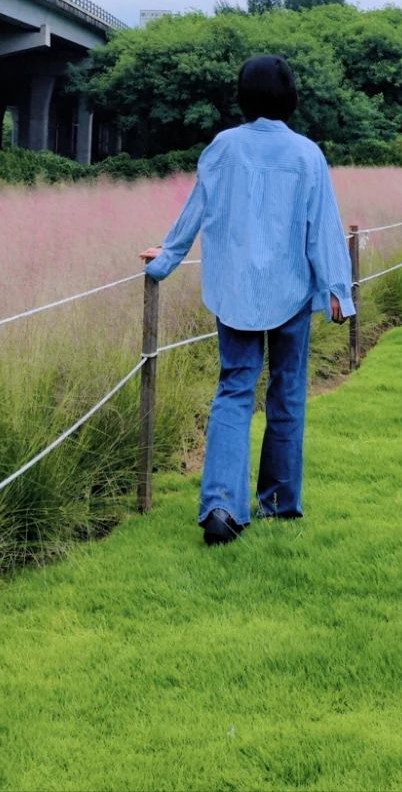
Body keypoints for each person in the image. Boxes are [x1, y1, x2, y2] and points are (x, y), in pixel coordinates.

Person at [139, 54, 356, 547]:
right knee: (287, 391)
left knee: (234, 389)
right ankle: (278, 501)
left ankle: (221, 505)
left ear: (243, 95)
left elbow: (195, 211)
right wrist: (338, 291)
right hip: (291, 292)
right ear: (290, 97)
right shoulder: (306, 155)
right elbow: (322, 229)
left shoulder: (222, 147)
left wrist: (165, 257)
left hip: (234, 289)